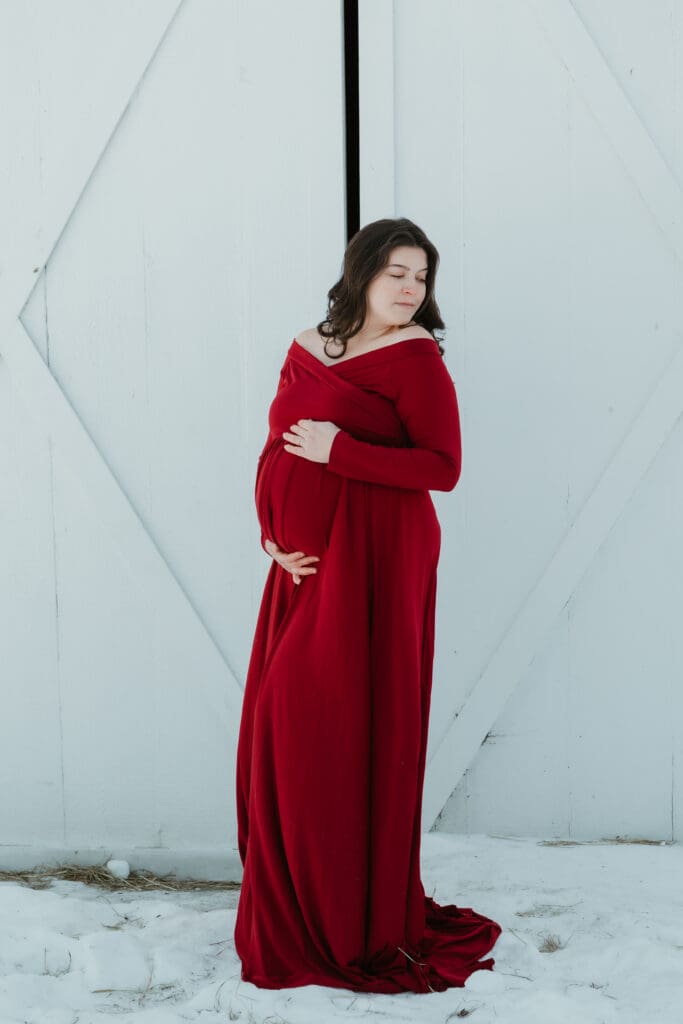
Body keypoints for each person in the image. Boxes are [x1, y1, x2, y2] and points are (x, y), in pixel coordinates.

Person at [234, 217, 502, 992]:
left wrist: (339, 454)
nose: (410, 286)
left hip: (381, 558)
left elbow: (442, 468)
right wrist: (270, 534)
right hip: (303, 569)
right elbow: (274, 443)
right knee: (282, 728)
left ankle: (349, 915)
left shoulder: (416, 360)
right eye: (395, 271)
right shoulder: (307, 345)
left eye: (420, 275)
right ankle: (302, 900)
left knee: (340, 723)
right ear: (359, 274)